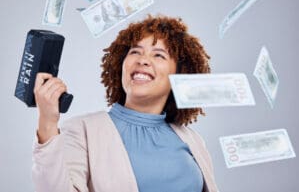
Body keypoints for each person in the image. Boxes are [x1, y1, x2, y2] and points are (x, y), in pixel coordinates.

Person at [32, 15, 219, 192]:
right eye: (135, 51)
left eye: (159, 55)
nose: (143, 60)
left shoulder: (193, 139)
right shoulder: (82, 130)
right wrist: (47, 122)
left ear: (180, 74)